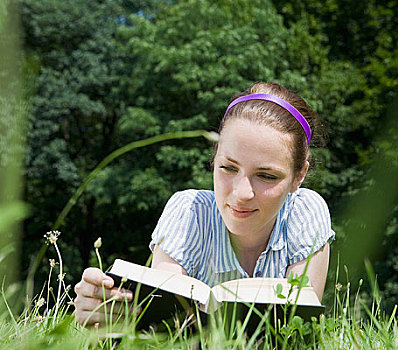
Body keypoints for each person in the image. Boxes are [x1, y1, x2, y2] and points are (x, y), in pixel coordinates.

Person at [74, 82, 335, 327]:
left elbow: (297, 330)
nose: (242, 193)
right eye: (228, 167)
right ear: (214, 160)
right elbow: (163, 321)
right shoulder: (189, 212)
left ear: (298, 176)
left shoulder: (304, 212)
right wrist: (112, 311)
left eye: (267, 176)